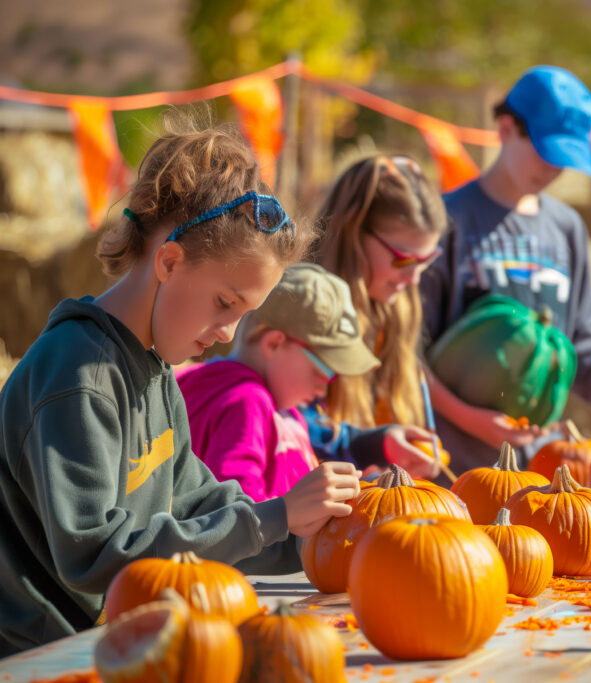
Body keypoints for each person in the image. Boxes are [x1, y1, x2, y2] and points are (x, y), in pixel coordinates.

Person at [0, 122, 360, 655]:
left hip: (120, 638)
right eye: (224, 303)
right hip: (44, 655)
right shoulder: (78, 375)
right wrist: (270, 520)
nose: (229, 334)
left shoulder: (155, 365)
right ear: (169, 261)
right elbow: (94, 554)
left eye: (244, 315)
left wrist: (308, 539)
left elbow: (197, 503)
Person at [419, 65, 591, 474]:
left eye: (565, 159)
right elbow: (408, 354)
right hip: (456, 467)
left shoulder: (567, 228)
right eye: (547, 153)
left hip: (544, 469)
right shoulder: (448, 221)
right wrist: (471, 420)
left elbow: (578, 341)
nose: (553, 170)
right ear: (507, 127)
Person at [178, 263, 439, 502]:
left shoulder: (277, 405)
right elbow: (238, 512)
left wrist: (372, 464)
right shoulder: (245, 404)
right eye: (321, 371)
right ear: (275, 343)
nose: (323, 389)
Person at [315, 155, 447, 433]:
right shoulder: (307, 317)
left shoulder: (397, 309)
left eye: (426, 261)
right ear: (354, 234)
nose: (414, 279)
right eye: (404, 260)